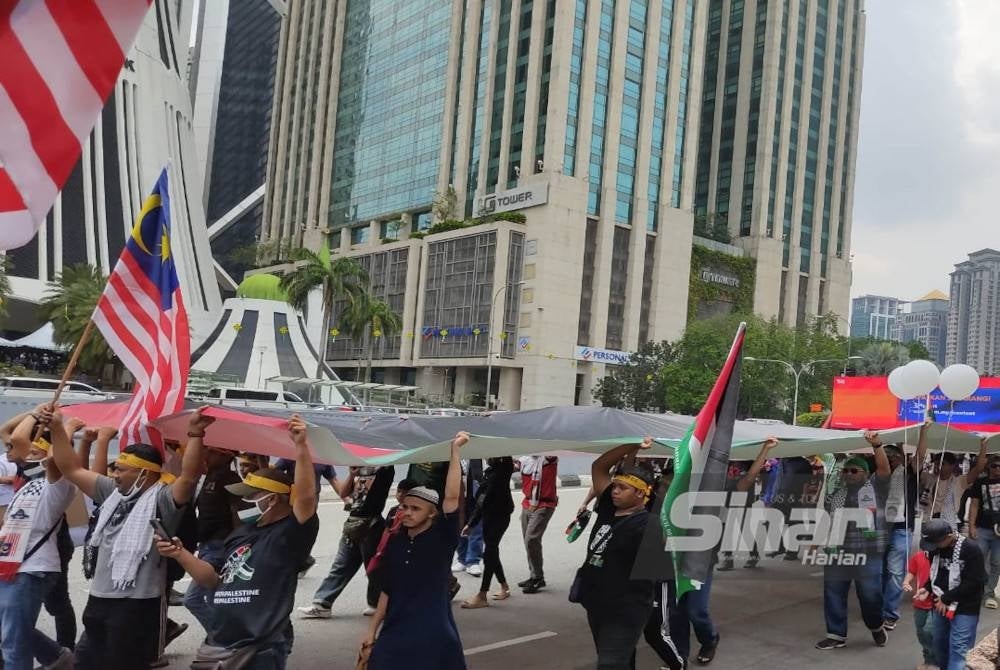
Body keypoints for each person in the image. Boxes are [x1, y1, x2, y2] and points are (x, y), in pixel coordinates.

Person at [49, 408, 208, 669]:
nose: (114, 475)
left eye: (121, 469)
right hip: (99, 599)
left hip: (138, 605)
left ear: (144, 473)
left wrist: (195, 433)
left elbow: (189, 478)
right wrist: (57, 427)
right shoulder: (111, 492)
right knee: (85, 663)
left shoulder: (163, 499)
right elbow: (70, 468)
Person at [156, 415, 320, 668]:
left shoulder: (290, 534)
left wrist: (301, 446)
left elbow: (306, 497)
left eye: (251, 495)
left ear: (273, 500)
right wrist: (180, 554)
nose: (244, 501)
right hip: (221, 642)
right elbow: (211, 579)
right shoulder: (240, 534)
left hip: (260, 646)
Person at [363, 432, 468, 670]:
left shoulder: (443, 538)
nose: (407, 512)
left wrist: (455, 451)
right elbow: (387, 591)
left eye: (415, 509)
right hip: (394, 631)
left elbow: (451, 496)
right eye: (404, 507)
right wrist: (372, 631)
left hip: (433, 634)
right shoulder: (396, 541)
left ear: (432, 513)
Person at [0, 406, 76, 670]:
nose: (24, 454)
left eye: (35, 451)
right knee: (11, 630)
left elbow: (50, 456)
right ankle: (57, 657)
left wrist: (60, 428)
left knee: (13, 642)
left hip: (31, 569)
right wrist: (36, 412)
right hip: (10, 564)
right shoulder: (26, 479)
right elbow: (15, 439)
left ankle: (57, 658)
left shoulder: (58, 483)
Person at [573, 438, 655, 669]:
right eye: (615, 486)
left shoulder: (648, 526)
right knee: (619, 660)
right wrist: (633, 445)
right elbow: (599, 467)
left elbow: (654, 576)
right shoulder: (609, 508)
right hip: (597, 604)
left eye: (622, 488)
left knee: (609, 665)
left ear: (640, 494)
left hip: (625, 611)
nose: (615, 492)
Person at [815, 431, 892, 650]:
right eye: (846, 470)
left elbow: (884, 470)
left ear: (866, 474)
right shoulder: (836, 495)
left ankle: (876, 626)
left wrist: (877, 445)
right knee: (833, 591)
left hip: (868, 553)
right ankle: (836, 634)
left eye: (854, 470)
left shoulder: (875, 488)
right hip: (838, 552)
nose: (848, 474)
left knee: (869, 596)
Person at [298, 465, 393, 619]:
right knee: (341, 565)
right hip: (352, 523)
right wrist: (351, 474)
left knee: (373, 569)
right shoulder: (358, 467)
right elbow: (343, 492)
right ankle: (322, 603)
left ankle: (377, 604)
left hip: (371, 524)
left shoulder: (385, 469)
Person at [184, 445, 241, 641]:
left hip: (220, 547)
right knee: (215, 598)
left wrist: (235, 546)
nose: (205, 453)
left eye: (211, 451)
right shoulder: (208, 476)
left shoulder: (230, 479)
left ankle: (224, 638)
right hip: (207, 545)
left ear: (224, 455)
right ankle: (227, 637)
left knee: (193, 599)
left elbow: (237, 515)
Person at [917, 518, 987, 670]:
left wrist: (946, 598)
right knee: (939, 643)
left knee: (959, 650)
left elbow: (975, 582)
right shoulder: (935, 549)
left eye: (936, 543)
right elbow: (936, 573)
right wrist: (927, 588)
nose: (933, 547)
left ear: (948, 537)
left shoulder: (971, 549)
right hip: (940, 604)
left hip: (965, 607)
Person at [881, 422, 929, 631]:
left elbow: (919, 456)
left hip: (901, 530)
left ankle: (890, 614)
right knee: (880, 571)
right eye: (887, 456)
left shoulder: (908, 474)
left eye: (894, 456)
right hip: (879, 529)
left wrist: (923, 432)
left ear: (900, 459)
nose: (890, 459)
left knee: (894, 573)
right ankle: (879, 608)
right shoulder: (878, 476)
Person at [461, 456, 515, 609]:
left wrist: (472, 523)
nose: (487, 457)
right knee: (492, 552)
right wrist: (471, 523)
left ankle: (482, 594)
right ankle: (504, 586)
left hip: (500, 516)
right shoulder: (489, 471)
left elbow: (484, 498)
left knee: (490, 552)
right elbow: (482, 500)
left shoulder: (504, 468)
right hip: (488, 516)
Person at [920, 440, 988, 530]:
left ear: (952, 466)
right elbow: (917, 462)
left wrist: (983, 446)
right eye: (936, 464)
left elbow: (979, 468)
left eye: (942, 464)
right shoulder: (928, 478)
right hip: (928, 520)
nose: (937, 467)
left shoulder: (959, 481)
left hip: (949, 523)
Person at [517, 454, 558, 593]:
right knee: (528, 542)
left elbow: (551, 447)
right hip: (527, 503)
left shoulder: (548, 460)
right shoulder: (524, 461)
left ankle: (538, 578)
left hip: (544, 505)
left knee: (531, 540)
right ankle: (534, 575)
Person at [968, 453, 1000, 610]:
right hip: (982, 527)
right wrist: (971, 525)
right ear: (989, 467)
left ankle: (988, 592)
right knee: (978, 559)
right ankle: (977, 590)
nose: (997, 469)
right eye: (994, 465)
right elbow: (974, 504)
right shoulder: (980, 482)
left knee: (996, 563)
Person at [903, 548, 936, 670]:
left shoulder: (942, 558)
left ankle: (935, 661)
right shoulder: (918, 556)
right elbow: (912, 571)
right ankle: (928, 660)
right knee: (921, 633)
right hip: (919, 601)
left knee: (929, 631)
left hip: (937, 602)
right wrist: (906, 582)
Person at [453, 459, 485, 576]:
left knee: (476, 525)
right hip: (458, 492)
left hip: (475, 491)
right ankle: (462, 558)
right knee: (458, 523)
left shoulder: (477, 453)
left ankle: (473, 560)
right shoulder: (454, 451)